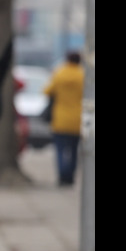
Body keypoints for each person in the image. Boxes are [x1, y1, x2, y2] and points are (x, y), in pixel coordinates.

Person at [43, 50, 85, 186]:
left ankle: (62, 176)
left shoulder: (59, 74)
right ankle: (70, 177)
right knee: (74, 150)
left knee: (60, 150)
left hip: (60, 118)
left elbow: (46, 91)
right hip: (78, 120)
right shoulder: (83, 76)